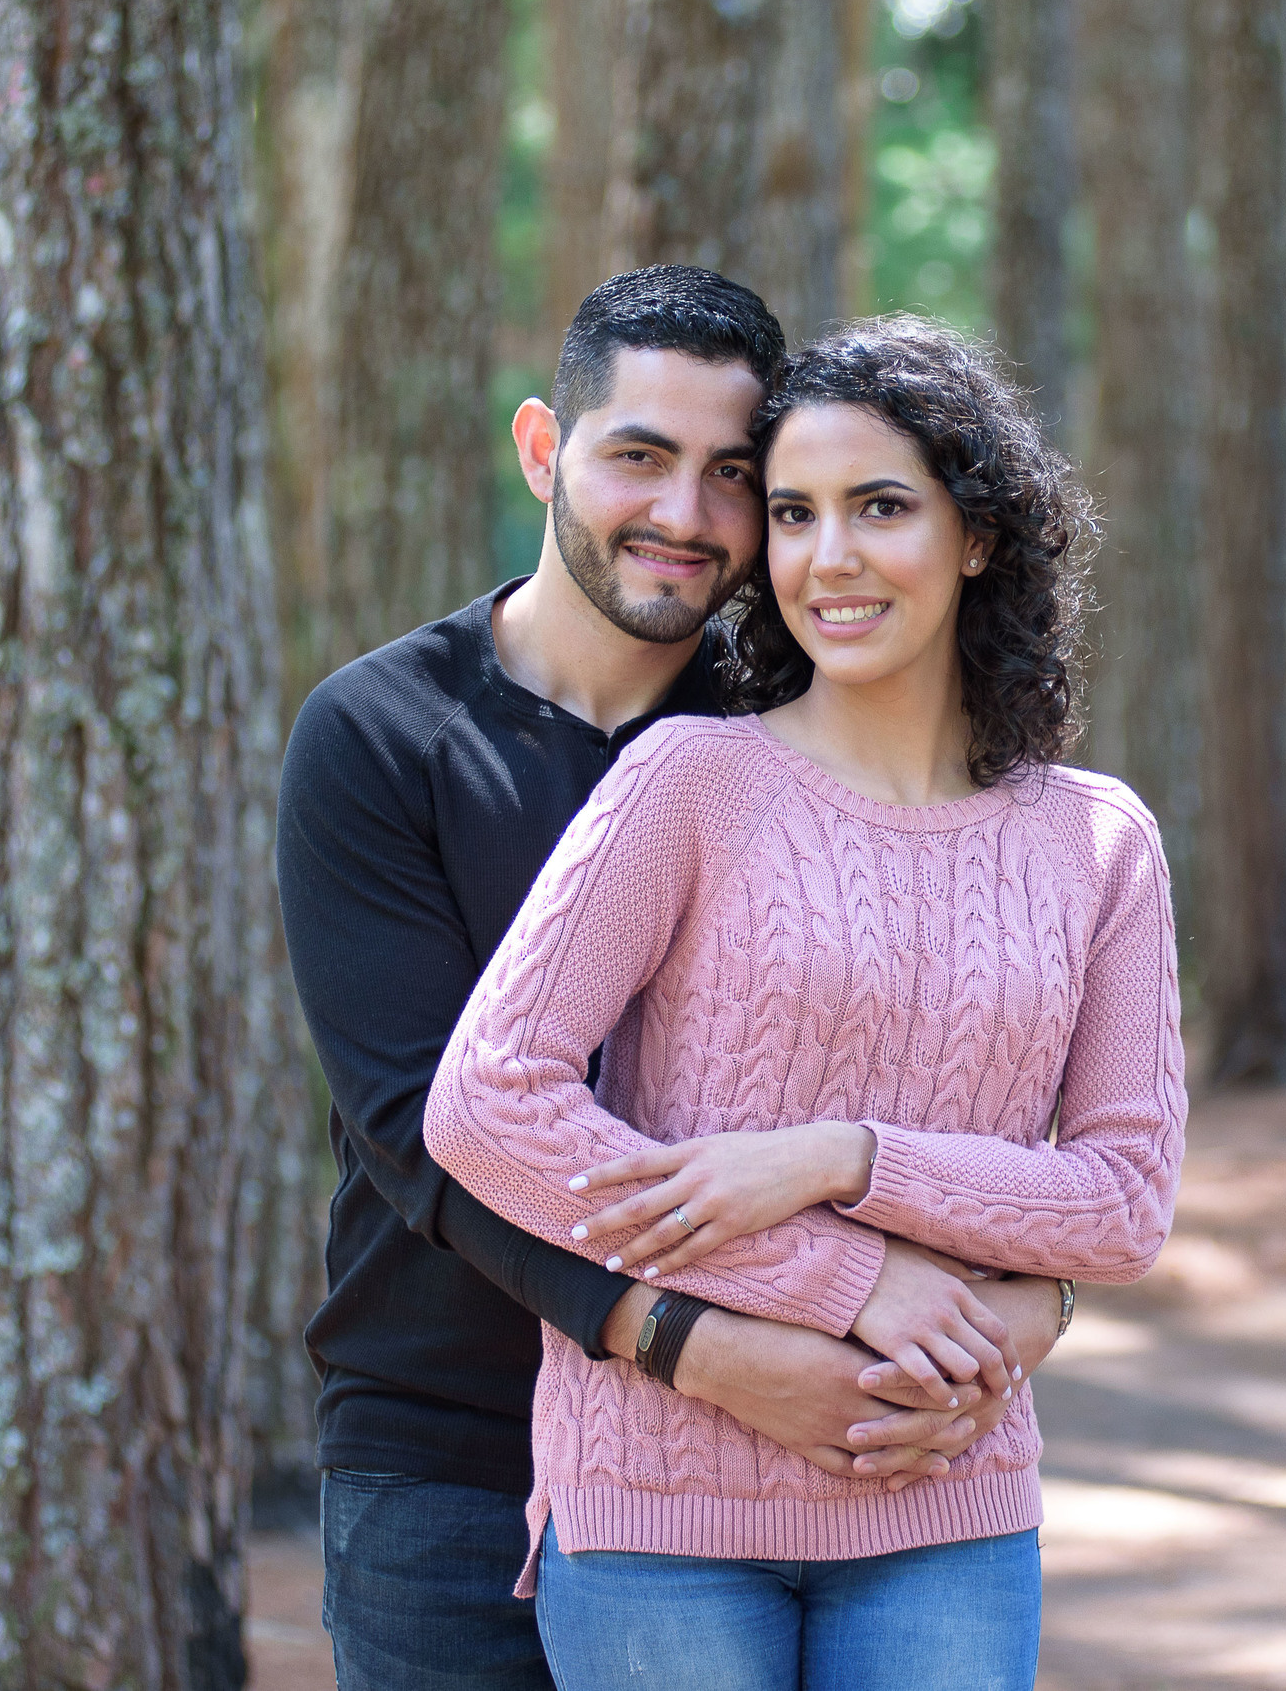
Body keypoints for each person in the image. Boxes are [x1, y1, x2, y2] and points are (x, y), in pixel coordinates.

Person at [278, 267, 1068, 1691]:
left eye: (733, 477)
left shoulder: (794, 729)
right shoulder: (385, 734)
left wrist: (1027, 1304)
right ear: (543, 449)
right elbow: (422, 1132)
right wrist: (688, 1340)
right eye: (638, 456)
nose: (686, 517)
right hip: (446, 1450)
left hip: (753, 1469)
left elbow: (960, 1069)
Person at [424, 314, 1187, 1690]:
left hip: (942, 1499)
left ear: (980, 536)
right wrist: (847, 1278)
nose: (827, 557)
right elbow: (487, 1101)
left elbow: (1125, 1196)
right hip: (659, 1509)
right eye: (792, 513)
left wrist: (844, 1160)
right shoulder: (691, 783)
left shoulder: (1099, 838)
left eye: (880, 506)